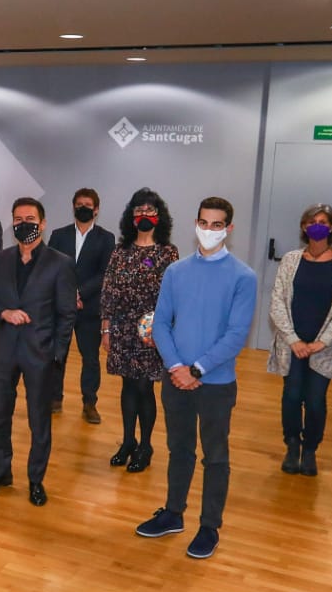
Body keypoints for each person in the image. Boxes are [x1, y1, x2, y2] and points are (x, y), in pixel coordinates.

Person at [134, 196, 257, 560]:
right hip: (176, 380)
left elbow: (236, 334)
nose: (209, 230)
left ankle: (209, 526)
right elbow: (161, 324)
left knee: (215, 456)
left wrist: (197, 369)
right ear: (195, 223)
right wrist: (176, 367)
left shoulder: (243, 277)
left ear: (228, 229)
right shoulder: (176, 271)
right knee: (179, 450)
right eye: (204, 222)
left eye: (217, 224)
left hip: (215, 383)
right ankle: (173, 513)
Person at [0, 198, 78, 506]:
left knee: (39, 420)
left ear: (43, 224)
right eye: (18, 219)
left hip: (40, 354)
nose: (24, 224)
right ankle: (1, 473)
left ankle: (36, 479)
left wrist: (57, 354)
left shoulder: (60, 263)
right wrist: (3, 313)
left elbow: (67, 313)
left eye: (30, 219)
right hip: (4, 350)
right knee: (0, 416)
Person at [266, 203, 332, 476]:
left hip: (323, 347)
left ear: (331, 227)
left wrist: (323, 342)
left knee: (316, 400)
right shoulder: (291, 260)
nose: (316, 225)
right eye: (311, 221)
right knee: (292, 396)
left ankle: (310, 450)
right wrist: (293, 339)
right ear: (304, 227)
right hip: (291, 343)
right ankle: (292, 445)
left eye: (322, 221)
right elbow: (277, 302)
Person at [100, 189, 178, 472]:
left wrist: (165, 330)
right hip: (121, 329)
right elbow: (108, 290)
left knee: (144, 387)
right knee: (127, 385)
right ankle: (127, 441)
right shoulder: (120, 252)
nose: (144, 215)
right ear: (130, 217)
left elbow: (173, 296)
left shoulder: (168, 253)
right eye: (138, 211)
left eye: (150, 210)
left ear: (160, 217)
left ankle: (146, 446)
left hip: (151, 331)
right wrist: (106, 329)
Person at [48, 187, 114, 422]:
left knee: (90, 358)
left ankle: (89, 403)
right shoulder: (58, 234)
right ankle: (55, 398)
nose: (83, 208)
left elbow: (105, 273)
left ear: (96, 210)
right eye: (79, 204)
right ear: (73, 207)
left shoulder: (106, 238)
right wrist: (66, 294)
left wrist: (78, 293)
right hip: (61, 307)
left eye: (87, 204)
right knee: (58, 355)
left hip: (90, 308)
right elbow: (52, 268)